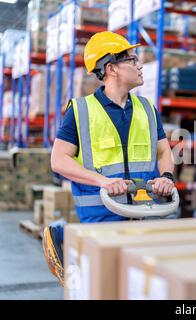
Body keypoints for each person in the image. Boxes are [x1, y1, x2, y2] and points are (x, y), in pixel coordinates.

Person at [42, 31, 175, 285]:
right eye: (133, 60)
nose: (139, 66)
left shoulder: (147, 109)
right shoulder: (80, 111)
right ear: (111, 68)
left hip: (144, 214)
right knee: (105, 286)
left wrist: (166, 177)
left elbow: (163, 151)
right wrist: (102, 181)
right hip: (101, 219)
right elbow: (59, 160)